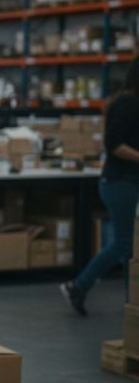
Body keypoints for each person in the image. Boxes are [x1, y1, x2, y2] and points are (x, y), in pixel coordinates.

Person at [62, 58, 139, 315]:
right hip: (120, 183)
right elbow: (113, 144)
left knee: (130, 246)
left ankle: (132, 300)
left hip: (127, 182)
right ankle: (79, 286)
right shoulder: (129, 103)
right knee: (124, 245)